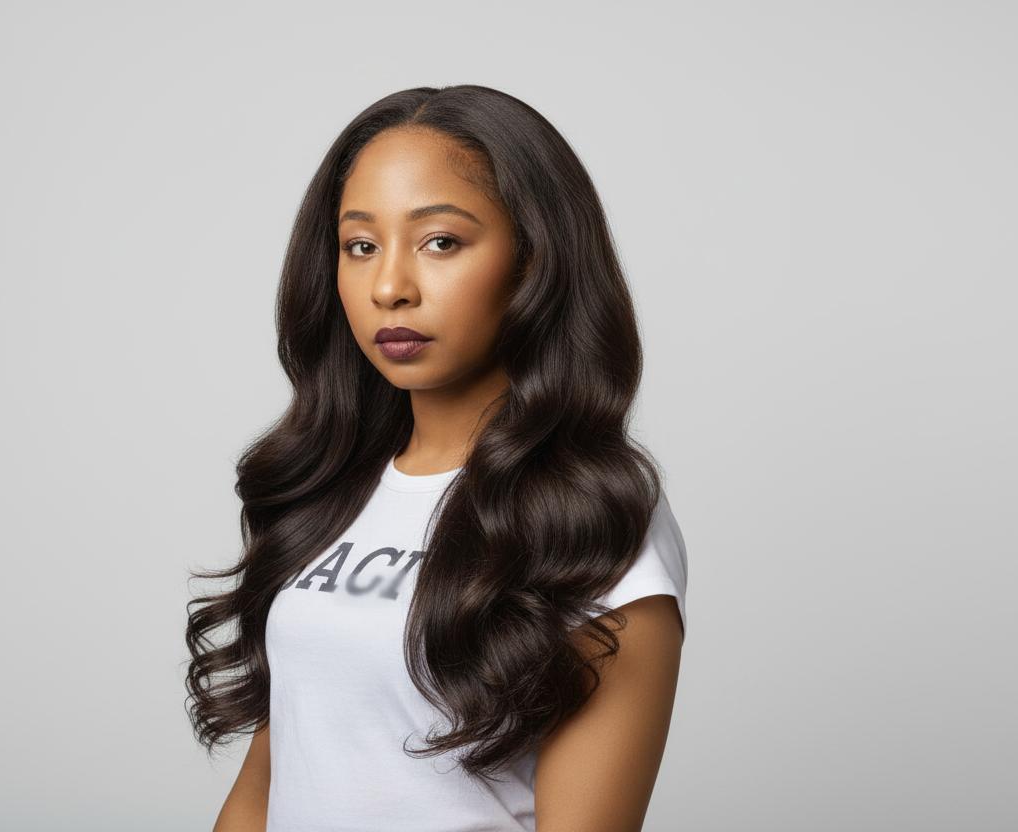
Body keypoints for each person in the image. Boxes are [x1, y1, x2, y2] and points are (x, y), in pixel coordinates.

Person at [185, 84, 688, 832]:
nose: (389, 287)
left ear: (534, 261)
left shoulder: (593, 521)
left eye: (440, 242)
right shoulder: (330, 489)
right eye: (361, 246)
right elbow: (266, 790)